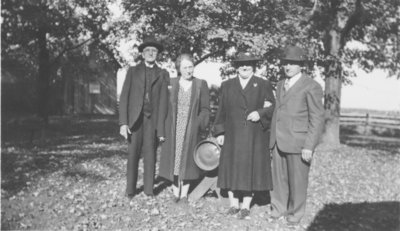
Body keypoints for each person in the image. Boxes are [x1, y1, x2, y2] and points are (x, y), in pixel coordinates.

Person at [267, 45, 324, 225]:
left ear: (301, 65)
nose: (288, 66)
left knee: (298, 181)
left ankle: (295, 214)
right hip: (278, 140)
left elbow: (317, 118)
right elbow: (278, 111)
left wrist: (309, 146)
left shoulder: (311, 86)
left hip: (298, 142)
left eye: (292, 63)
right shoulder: (280, 83)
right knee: (278, 179)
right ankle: (278, 209)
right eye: (285, 63)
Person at [213, 52, 275, 219]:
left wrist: (260, 113)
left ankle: (246, 205)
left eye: (248, 64)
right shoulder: (227, 85)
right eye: (241, 64)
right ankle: (234, 204)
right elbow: (221, 111)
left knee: (249, 168)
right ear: (237, 67)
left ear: (253, 66)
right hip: (232, 134)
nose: (245, 67)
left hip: (254, 135)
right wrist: (219, 131)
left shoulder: (263, 84)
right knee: (232, 167)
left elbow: (272, 107)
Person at [119, 35, 170, 198]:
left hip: (152, 120)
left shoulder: (162, 73)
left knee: (150, 155)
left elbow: (164, 102)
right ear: (142, 54)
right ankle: (130, 190)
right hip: (135, 120)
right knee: (133, 155)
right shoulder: (133, 71)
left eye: (154, 51)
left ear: (157, 54)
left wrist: (161, 129)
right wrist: (123, 123)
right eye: (147, 50)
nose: (150, 53)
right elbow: (124, 97)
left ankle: (149, 190)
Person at [159, 53, 210, 203]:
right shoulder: (171, 83)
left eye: (191, 67)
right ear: (179, 69)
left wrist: (197, 124)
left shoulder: (201, 84)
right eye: (185, 67)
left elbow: (206, 109)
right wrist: (161, 130)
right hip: (173, 128)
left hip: (190, 129)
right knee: (175, 159)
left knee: (187, 161)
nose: (189, 70)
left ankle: (184, 194)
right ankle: (176, 192)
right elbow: (163, 108)